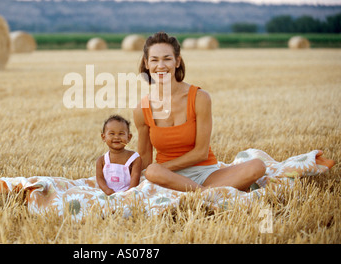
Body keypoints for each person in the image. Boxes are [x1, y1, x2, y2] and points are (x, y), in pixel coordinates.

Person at [133, 32, 267, 192]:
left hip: (205, 174)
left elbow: (201, 153)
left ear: (177, 61)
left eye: (167, 59)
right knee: (152, 171)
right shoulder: (141, 109)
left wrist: (160, 168)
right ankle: (211, 193)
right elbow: (145, 159)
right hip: (167, 177)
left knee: (257, 166)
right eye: (154, 60)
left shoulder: (199, 98)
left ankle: (200, 193)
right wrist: (133, 183)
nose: (160, 65)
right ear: (147, 64)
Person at [96, 115, 142, 195]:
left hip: (127, 193)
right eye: (112, 133)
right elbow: (100, 179)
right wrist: (106, 190)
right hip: (107, 193)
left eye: (121, 134)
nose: (116, 137)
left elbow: (135, 178)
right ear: (103, 137)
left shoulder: (134, 158)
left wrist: (128, 193)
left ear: (129, 137)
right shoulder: (101, 160)